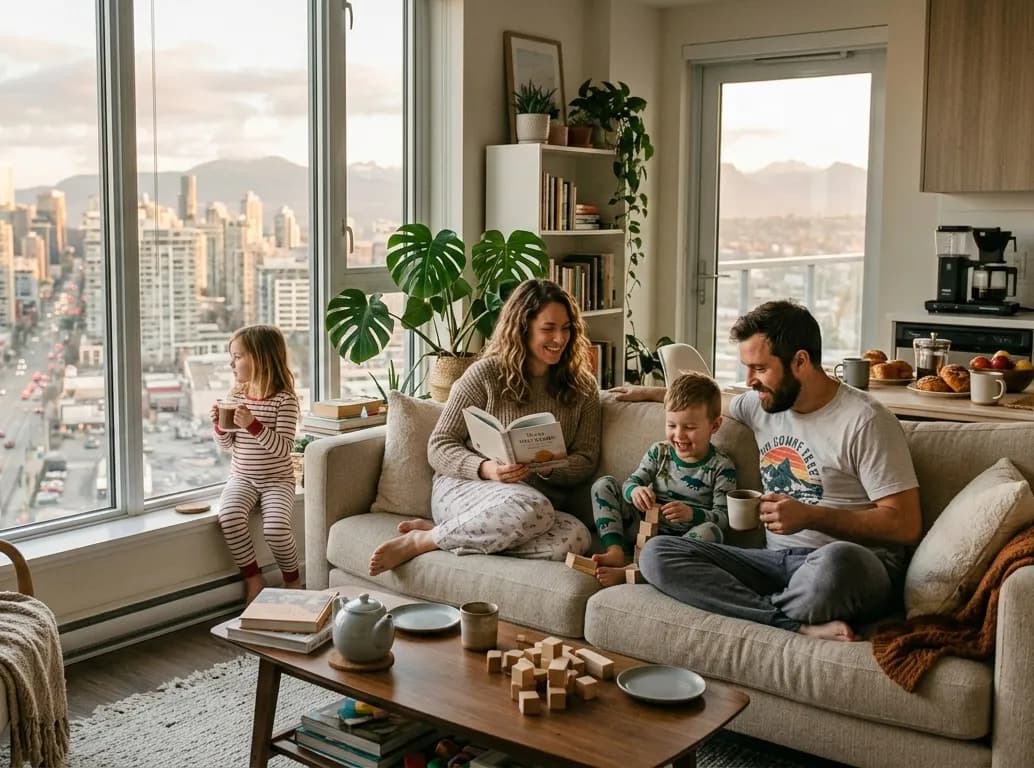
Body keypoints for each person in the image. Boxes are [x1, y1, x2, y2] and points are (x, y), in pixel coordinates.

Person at [616, 301, 921, 641]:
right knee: (657, 555)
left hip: (846, 568)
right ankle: (791, 623)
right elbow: (714, 404)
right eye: (747, 368)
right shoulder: (763, 404)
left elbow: (906, 525)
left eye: (759, 368)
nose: (750, 381)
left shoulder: (866, 421)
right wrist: (653, 393)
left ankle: (752, 608)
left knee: (838, 562)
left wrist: (812, 516)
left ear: (800, 362)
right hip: (773, 563)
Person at [369, 279, 601, 575]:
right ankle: (423, 540)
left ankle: (450, 533)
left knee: (576, 538)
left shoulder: (583, 388)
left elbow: (587, 459)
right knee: (534, 507)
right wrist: (487, 469)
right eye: (548, 328)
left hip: (526, 504)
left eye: (566, 328)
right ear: (523, 327)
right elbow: (439, 445)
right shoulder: (485, 374)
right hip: (467, 487)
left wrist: (549, 466)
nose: (560, 338)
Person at [590, 372, 736, 587]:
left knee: (712, 532)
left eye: (690, 427)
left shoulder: (722, 467)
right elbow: (631, 483)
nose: (679, 435)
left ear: (714, 426)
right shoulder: (659, 452)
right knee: (604, 485)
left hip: (681, 541)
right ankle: (616, 551)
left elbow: (723, 518)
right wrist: (636, 492)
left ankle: (642, 572)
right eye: (672, 425)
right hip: (643, 527)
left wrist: (691, 514)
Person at [211, 324, 302, 603]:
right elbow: (227, 447)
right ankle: (253, 578)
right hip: (242, 477)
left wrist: (253, 425)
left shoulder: (284, 401)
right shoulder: (236, 395)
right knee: (229, 517)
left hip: (277, 480)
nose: (231, 363)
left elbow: (283, 449)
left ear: (260, 358)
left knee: (276, 529)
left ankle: (293, 580)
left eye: (238, 357)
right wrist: (219, 428)